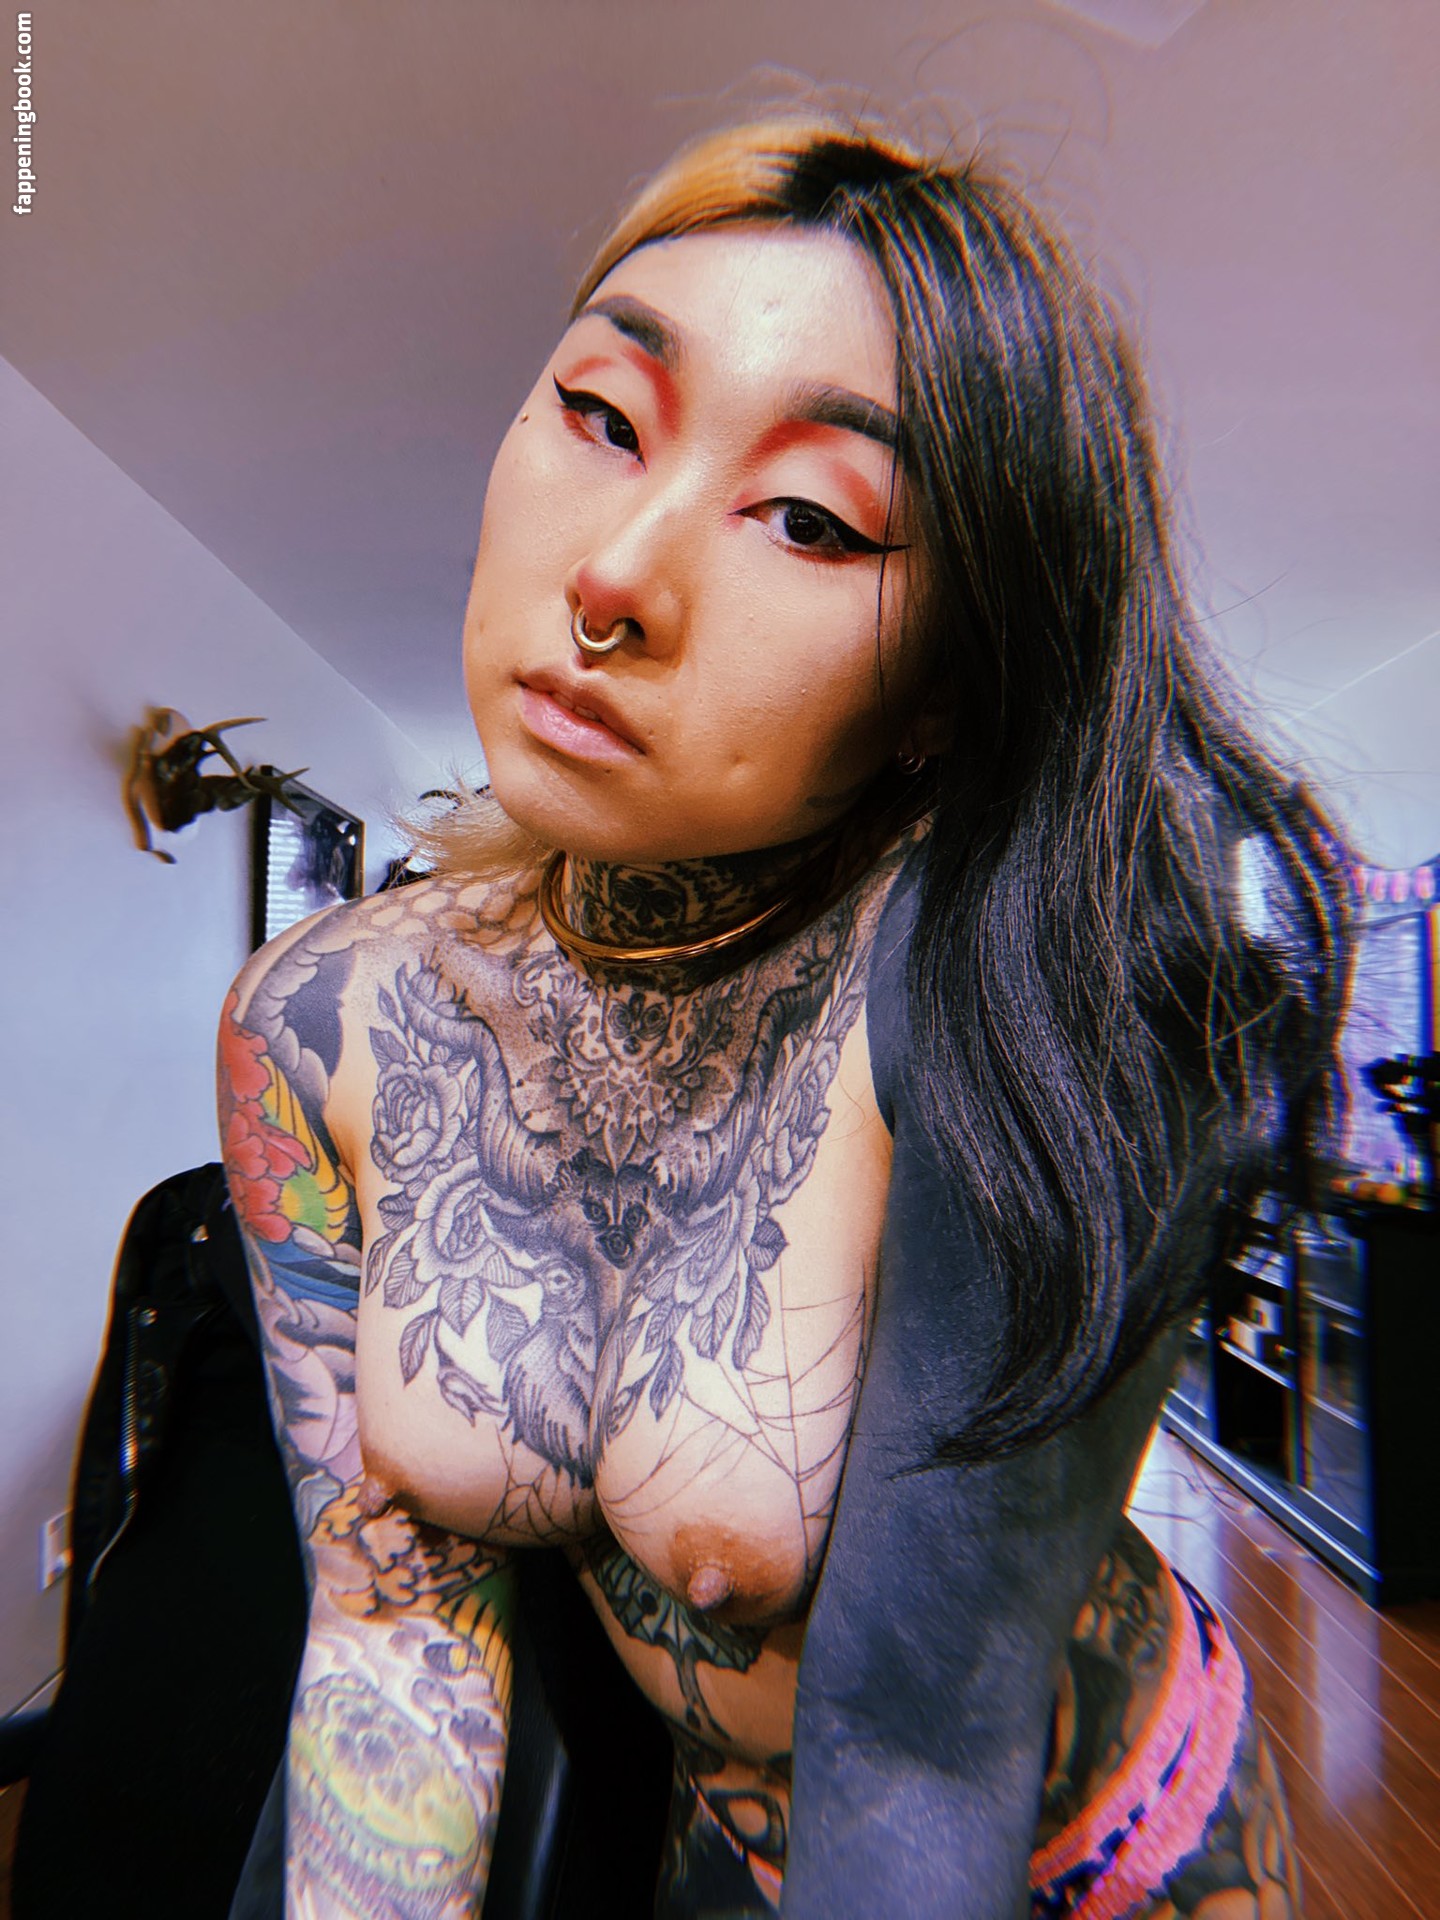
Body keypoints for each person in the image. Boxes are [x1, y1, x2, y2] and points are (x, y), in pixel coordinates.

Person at [217, 111, 1350, 1919]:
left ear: (941, 686)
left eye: (812, 520)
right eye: (604, 416)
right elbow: (393, 1639)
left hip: (1091, 1854)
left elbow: (919, 1746)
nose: (616, 578)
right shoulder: (320, 1024)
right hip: (733, 1843)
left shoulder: (1008, 989)